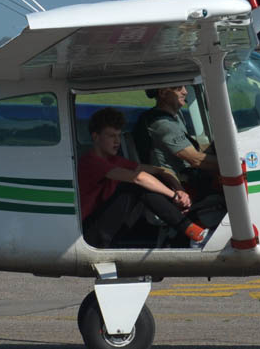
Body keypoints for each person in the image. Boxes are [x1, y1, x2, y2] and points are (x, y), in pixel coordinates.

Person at [78, 106, 209, 248]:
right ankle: (195, 234)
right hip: (89, 234)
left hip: (108, 227)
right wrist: (173, 196)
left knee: (149, 183)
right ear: (95, 137)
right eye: (111, 136)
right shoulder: (91, 162)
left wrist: (180, 190)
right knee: (136, 186)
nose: (117, 141)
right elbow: (139, 178)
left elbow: (162, 170)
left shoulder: (113, 160)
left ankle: (189, 232)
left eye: (118, 136)